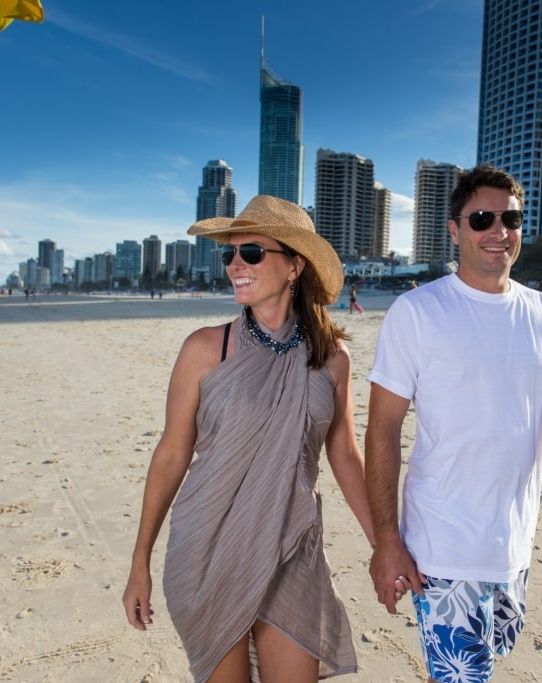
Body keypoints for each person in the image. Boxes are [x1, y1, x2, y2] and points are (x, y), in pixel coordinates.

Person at [364, 165, 542, 683]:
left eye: (510, 218)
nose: (498, 231)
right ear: (455, 229)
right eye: (482, 218)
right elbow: (383, 430)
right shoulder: (416, 312)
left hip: (512, 546)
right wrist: (386, 539)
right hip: (441, 547)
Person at [122, 195, 376, 683]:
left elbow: (344, 453)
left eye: (252, 253)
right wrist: (140, 563)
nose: (235, 264)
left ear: (294, 266)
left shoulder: (332, 358)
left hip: (292, 546)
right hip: (208, 548)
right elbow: (171, 455)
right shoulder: (203, 349)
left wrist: (383, 543)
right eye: (230, 255)